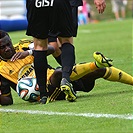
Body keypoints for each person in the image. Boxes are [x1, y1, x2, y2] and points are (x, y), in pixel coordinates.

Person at [0, 30, 133, 106]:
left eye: (8, 44)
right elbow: (8, 100)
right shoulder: (1, 70)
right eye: (2, 47)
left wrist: (29, 52)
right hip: (46, 92)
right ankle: (94, 64)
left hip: (61, 79)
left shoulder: (23, 45)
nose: (7, 49)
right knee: (59, 74)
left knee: (99, 72)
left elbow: (52, 48)